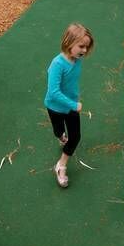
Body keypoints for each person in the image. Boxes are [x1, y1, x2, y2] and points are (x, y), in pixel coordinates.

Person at [44, 23, 94, 188]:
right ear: (68, 42)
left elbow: (71, 82)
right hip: (55, 107)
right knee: (59, 131)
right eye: (81, 46)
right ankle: (60, 136)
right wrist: (73, 103)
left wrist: (73, 102)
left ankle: (61, 165)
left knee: (75, 136)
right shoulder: (57, 64)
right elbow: (53, 92)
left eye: (86, 47)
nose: (85, 51)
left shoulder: (77, 59)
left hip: (71, 107)